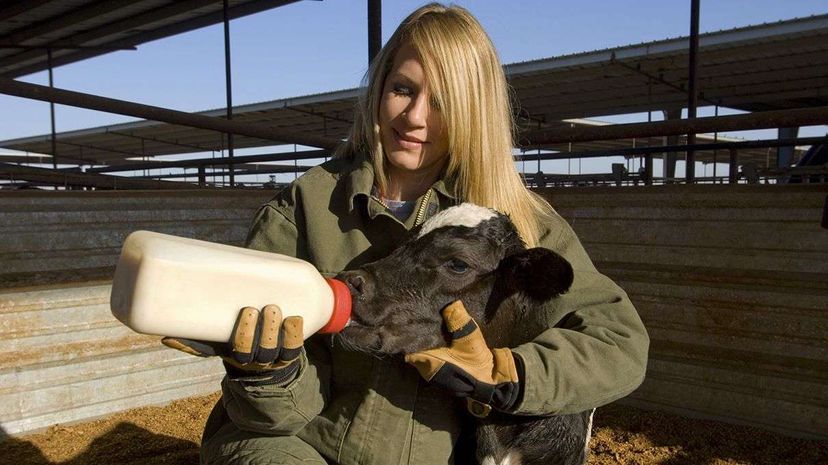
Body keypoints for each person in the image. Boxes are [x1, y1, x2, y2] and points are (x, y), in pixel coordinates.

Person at [163, 3, 649, 464]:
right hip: (297, 443)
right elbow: (272, 418)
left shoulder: (516, 224)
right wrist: (269, 372)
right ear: (378, 89)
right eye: (403, 88)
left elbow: (619, 344)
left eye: (441, 101)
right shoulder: (308, 206)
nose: (415, 117)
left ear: (473, 112)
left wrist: (507, 373)